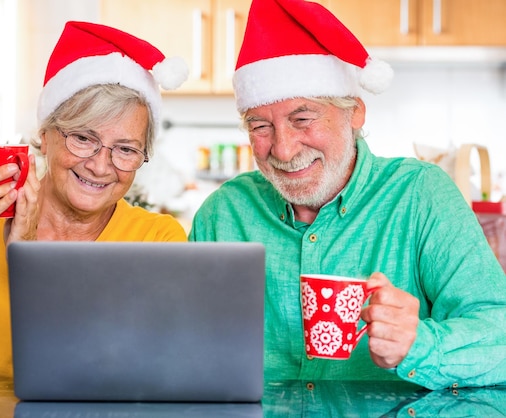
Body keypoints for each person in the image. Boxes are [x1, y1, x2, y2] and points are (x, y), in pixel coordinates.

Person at [189, 0, 506, 390]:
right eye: (260, 126)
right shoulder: (224, 215)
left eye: (302, 119)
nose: (284, 150)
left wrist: (419, 344)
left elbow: (498, 335)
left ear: (355, 112)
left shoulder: (421, 195)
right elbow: (182, 346)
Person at [0, 21, 189, 377]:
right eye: (82, 138)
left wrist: (30, 263)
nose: (99, 166)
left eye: (125, 149)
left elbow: (157, 373)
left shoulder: (157, 240)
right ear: (45, 136)